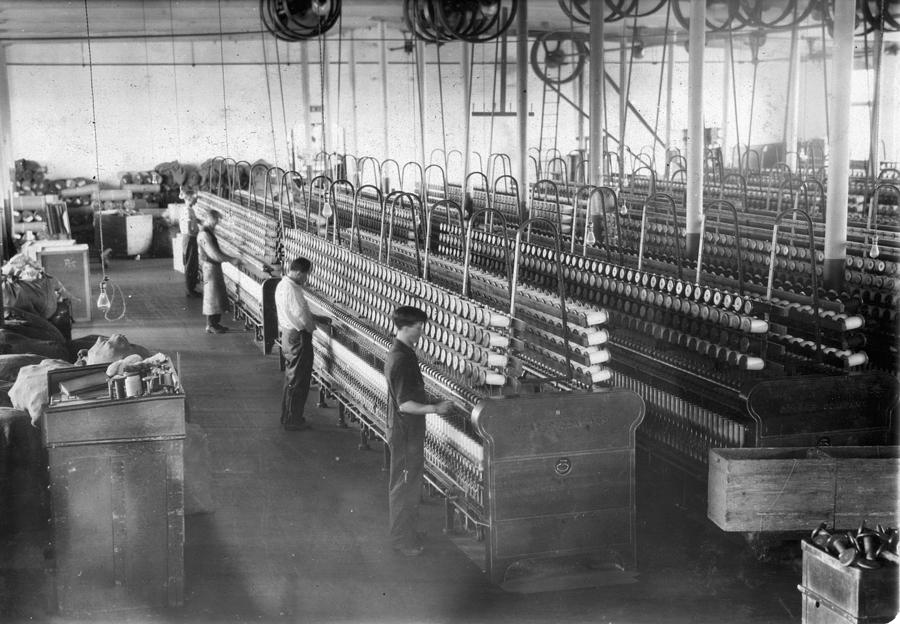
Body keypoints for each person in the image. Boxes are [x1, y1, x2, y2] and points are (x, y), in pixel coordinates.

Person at [384, 306, 453, 557]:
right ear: (405, 327)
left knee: (409, 484)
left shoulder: (402, 352)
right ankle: (403, 541)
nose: (421, 332)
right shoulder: (401, 359)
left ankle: (408, 532)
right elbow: (405, 404)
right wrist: (435, 408)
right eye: (418, 327)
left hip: (406, 430)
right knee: (404, 487)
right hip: (405, 432)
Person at [275, 257, 322, 431]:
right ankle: (292, 420)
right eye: (306, 275)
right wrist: (313, 327)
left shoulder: (283, 285)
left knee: (292, 377)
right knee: (299, 379)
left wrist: (316, 318)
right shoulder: (292, 290)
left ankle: (288, 416)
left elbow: (297, 312)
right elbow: (302, 317)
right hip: (298, 337)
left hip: (288, 335)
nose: (306, 279)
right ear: (298, 272)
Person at [197, 209, 238, 333]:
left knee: (216, 295)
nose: (217, 223)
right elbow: (214, 254)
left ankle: (215, 323)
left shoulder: (208, 232)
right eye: (215, 220)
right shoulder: (204, 234)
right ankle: (211, 325)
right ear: (209, 219)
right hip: (210, 267)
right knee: (212, 296)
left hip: (213, 267)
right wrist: (231, 259)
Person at [179, 187, 201, 297]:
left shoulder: (188, 209)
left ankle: (191, 288)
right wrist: (199, 233)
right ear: (189, 199)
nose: (196, 200)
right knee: (190, 264)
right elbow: (188, 229)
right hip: (189, 238)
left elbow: (193, 222)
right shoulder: (187, 211)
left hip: (189, 238)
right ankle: (190, 290)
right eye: (194, 198)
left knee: (191, 263)